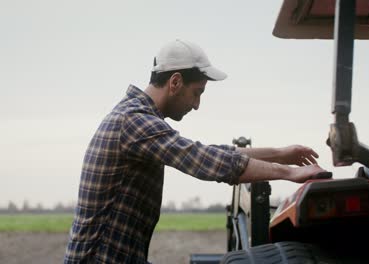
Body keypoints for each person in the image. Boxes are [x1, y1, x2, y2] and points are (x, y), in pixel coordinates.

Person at [64, 39, 326, 263]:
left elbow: (208, 152)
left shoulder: (137, 119)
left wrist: (282, 153)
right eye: (197, 92)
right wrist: (289, 172)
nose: (197, 104)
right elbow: (204, 160)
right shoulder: (133, 121)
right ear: (175, 82)